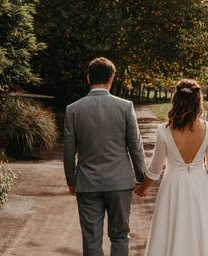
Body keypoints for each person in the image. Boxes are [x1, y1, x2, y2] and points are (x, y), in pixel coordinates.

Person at [134, 79, 208, 256]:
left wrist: (142, 188)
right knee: (201, 231)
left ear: (175, 100)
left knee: (170, 230)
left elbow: (155, 168)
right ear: (198, 101)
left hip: (173, 185)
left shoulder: (163, 129)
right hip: (200, 186)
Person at [63, 57, 147, 256]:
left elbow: (68, 151)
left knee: (91, 239)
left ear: (88, 78)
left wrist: (71, 181)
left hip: (87, 182)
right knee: (119, 236)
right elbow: (135, 146)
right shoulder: (125, 107)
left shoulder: (73, 109)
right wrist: (142, 178)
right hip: (120, 183)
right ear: (111, 79)